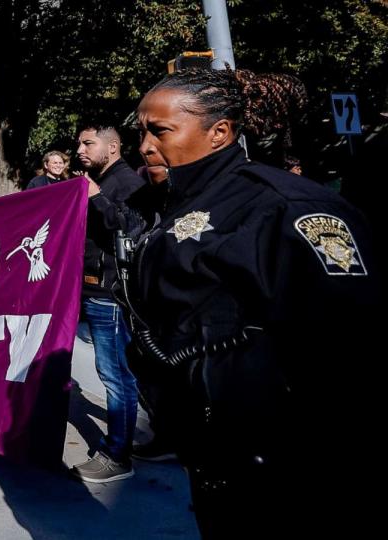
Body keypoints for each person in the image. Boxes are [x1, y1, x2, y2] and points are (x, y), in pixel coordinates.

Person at [118, 68, 378, 537]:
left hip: (289, 465)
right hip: (217, 453)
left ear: (219, 133)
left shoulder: (284, 206)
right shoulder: (171, 202)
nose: (145, 146)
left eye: (160, 131)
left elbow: (352, 340)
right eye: (141, 132)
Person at [63, 125, 146, 483]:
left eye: (87, 143)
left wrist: (95, 196)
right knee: (122, 373)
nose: (79, 149)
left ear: (112, 147)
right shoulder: (100, 180)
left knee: (115, 376)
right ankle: (143, 440)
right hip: (93, 289)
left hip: (109, 294)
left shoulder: (126, 182)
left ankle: (117, 455)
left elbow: (130, 227)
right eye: (79, 143)